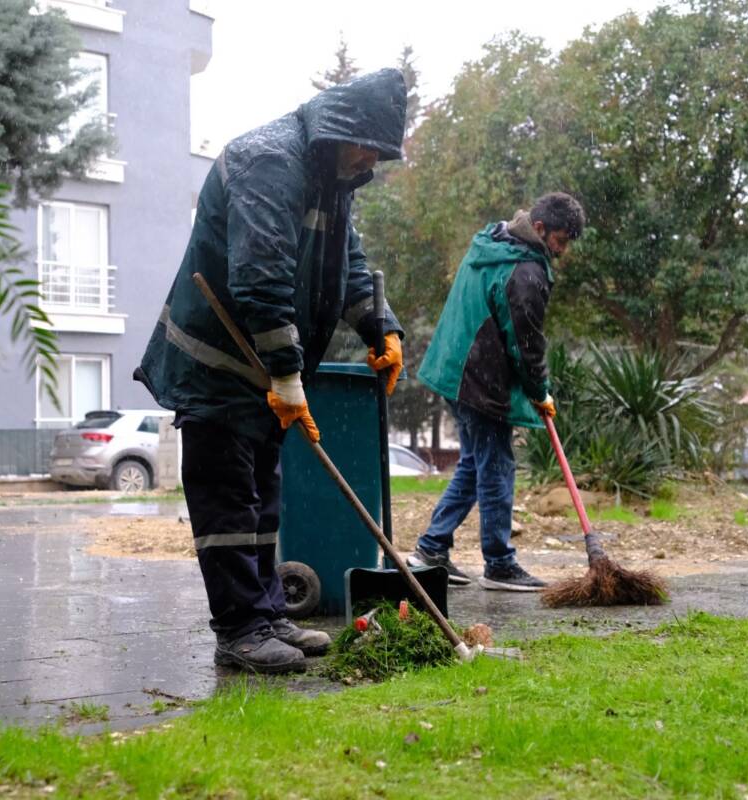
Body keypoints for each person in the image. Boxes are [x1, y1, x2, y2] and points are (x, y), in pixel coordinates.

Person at [135, 69, 408, 673]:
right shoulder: (270, 161)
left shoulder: (330, 178)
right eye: (369, 146)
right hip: (219, 361)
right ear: (341, 129)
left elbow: (347, 263)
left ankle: (263, 614)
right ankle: (238, 630)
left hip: (263, 368)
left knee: (263, 498)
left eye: (381, 154)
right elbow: (259, 278)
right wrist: (288, 376)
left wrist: (381, 327)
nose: (371, 160)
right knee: (228, 499)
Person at [408, 192, 586, 590]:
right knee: (497, 468)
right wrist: (540, 391)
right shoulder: (524, 271)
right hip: (479, 381)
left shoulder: (492, 243)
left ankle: (431, 548)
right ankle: (499, 563)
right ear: (539, 228)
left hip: (454, 370)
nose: (563, 248)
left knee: (475, 464)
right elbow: (526, 343)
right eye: (560, 239)